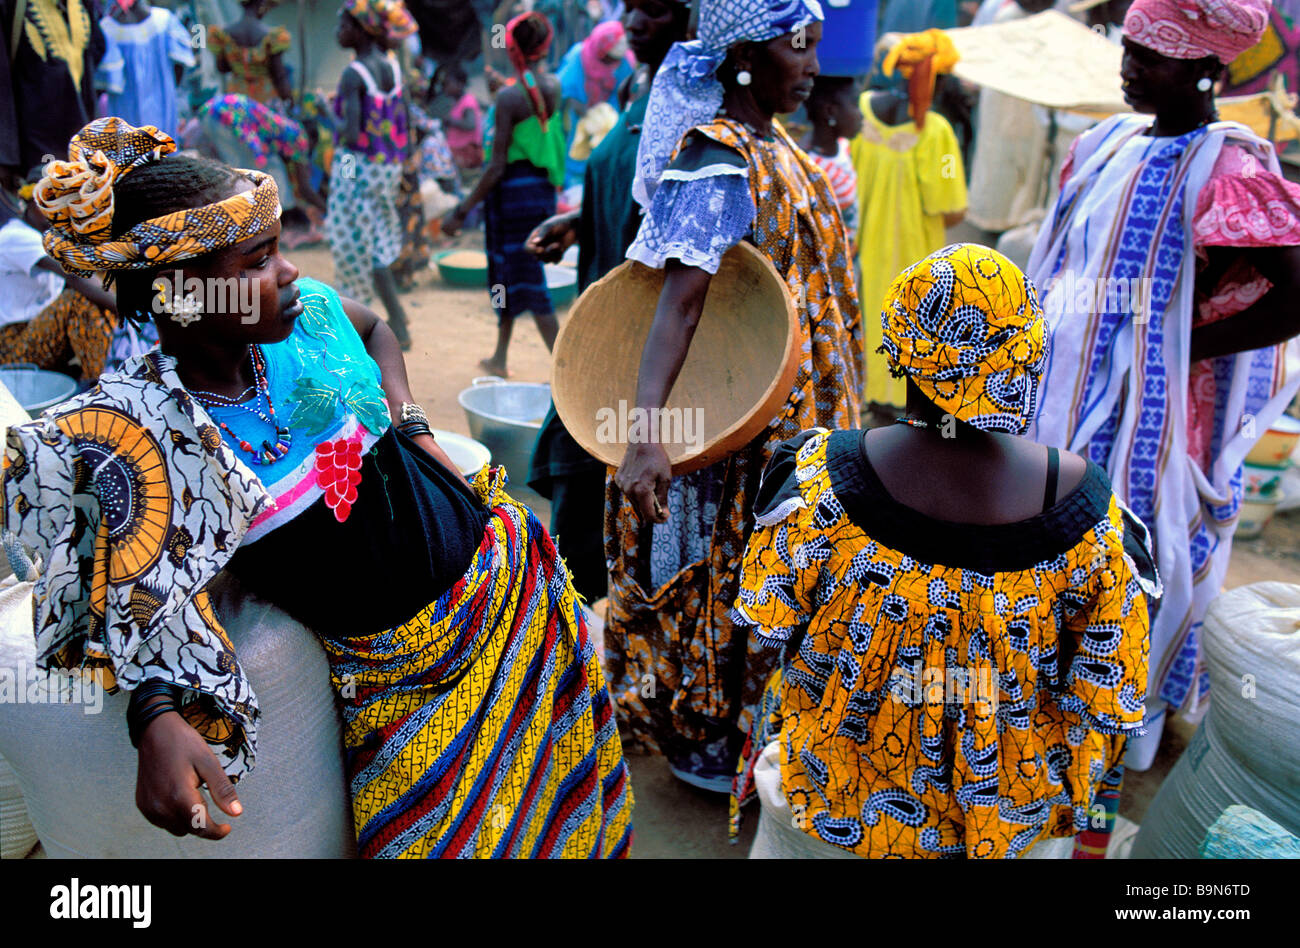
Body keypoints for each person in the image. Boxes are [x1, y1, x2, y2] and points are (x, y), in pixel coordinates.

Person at [3, 117, 633, 859]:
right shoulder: (159, 431)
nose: (290, 273)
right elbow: (128, 583)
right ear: (179, 293)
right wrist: (155, 717)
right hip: (409, 688)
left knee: (558, 802)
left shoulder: (308, 323)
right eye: (258, 259)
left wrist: (415, 430)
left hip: (509, 597)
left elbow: (376, 333)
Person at [729, 243, 1159, 858]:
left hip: (835, 810)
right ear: (1026, 355)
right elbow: (1105, 693)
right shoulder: (1094, 520)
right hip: (1004, 827)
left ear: (900, 347)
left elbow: (770, 627)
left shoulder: (815, 482)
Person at [1027, 0, 1300, 772]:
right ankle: (1042, 695)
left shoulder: (1231, 165)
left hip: (1149, 416)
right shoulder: (1105, 140)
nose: (1130, 66)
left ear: (1208, 70)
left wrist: (1181, 347)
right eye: (1131, 48)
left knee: (1133, 548)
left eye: (1153, 57)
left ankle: (1112, 726)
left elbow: (1292, 292)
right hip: (1057, 393)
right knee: (1047, 531)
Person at [607, 0, 863, 792]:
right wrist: (648, 434)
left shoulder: (773, 142)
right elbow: (677, 303)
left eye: (816, 47)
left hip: (797, 418)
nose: (814, 67)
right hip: (744, 424)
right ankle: (715, 744)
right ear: (743, 55)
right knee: (735, 570)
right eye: (799, 49)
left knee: (780, 571)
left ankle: (754, 736)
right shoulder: (716, 156)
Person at [525, 0, 694, 605]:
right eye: (631, 9)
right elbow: (631, 184)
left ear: (695, 17)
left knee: (628, 549)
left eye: (655, 10)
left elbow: (692, 245)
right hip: (600, 332)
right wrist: (581, 218)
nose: (635, 24)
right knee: (577, 536)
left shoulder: (698, 107)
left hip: (649, 351)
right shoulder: (638, 83)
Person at [442, 11, 565, 378]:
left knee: (528, 282)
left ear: (513, 47)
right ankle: (499, 357)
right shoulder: (552, 85)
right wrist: (504, 94)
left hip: (512, 197)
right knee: (511, 277)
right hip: (539, 192)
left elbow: (495, 166)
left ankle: (568, 370)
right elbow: (531, 118)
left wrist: (462, 210)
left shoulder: (512, 97)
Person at [852, 31, 968, 415]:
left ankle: (868, 394)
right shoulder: (935, 132)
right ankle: (903, 402)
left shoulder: (862, 110)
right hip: (916, 256)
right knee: (913, 323)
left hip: (864, 250)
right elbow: (950, 207)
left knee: (868, 315)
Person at [327, 0, 416, 350]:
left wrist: (323, 111)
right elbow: (403, 123)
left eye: (342, 25)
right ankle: (399, 322)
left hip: (356, 171)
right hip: (386, 170)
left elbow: (350, 135)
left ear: (361, 28)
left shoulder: (354, 74)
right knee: (377, 242)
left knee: (350, 245)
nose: (338, 33)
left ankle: (352, 332)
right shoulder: (392, 68)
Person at [0, 175, 118, 381]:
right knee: (78, 299)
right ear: (29, 202)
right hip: (12, 346)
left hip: (41, 334)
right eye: (47, 204)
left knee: (105, 277)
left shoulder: (54, 236)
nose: (55, 213)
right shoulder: (16, 236)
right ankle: (102, 383)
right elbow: (74, 275)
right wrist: (130, 310)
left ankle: (108, 368)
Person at [965, 0, 1057, 234]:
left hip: (1033, 102)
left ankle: (1018, 219)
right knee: (998, 159)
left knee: (1029, 160)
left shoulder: (1054, 21)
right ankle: (994, 220)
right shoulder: (1004, 17)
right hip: (1001, 99)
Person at [199, 92, 328, 249]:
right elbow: (304, 188)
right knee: (256, 175)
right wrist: (329, 212)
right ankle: (265, 227)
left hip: (212, 111)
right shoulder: (300, 139)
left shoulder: (287, 128)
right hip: (229, 117)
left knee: (246, 172)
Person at [0, 0, 106, 185]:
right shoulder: (12, 5)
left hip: (82, 144)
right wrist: (5, 156)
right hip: (33, 152)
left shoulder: (82, 4)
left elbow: (95, 50)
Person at [96, 0, 195, 143]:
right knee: (164, 153)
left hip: (126, 111)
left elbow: (109, 82)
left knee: (133, 154)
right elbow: (179, 67)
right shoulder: (164, 21)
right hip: (162, 105)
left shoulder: (108, 29)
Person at [557, 19, 636, 186]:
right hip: (578, 117)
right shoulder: (579, 56)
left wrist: (608, 118)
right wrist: (587, 115)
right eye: (608, 59)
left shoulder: (625, 62)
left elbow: (625, 93)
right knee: (576, 153)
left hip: (609, 121)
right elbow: (565, 89)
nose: (612, 64)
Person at [800, 75, 862, 256]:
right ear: (830, 111)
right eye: (856, 105)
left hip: (849, 253)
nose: (862, 115)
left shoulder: (843, 146)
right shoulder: (813, 170)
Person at [208, 0, 293, 107]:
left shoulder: (224, 35)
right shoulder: (272, 37)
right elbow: (279, 74)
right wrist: (288, 98)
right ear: (261, 5)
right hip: (264, 101)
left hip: (237, 101)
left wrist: (239, 64)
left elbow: (222, 68)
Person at [434, 62, 484, 169]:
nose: (445, 87)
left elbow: (471, 124)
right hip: (458, 152)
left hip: (467, 153)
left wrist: (451, 121)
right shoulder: (457, 102)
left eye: (447, 84)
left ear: (460, 84)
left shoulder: (468, 101)